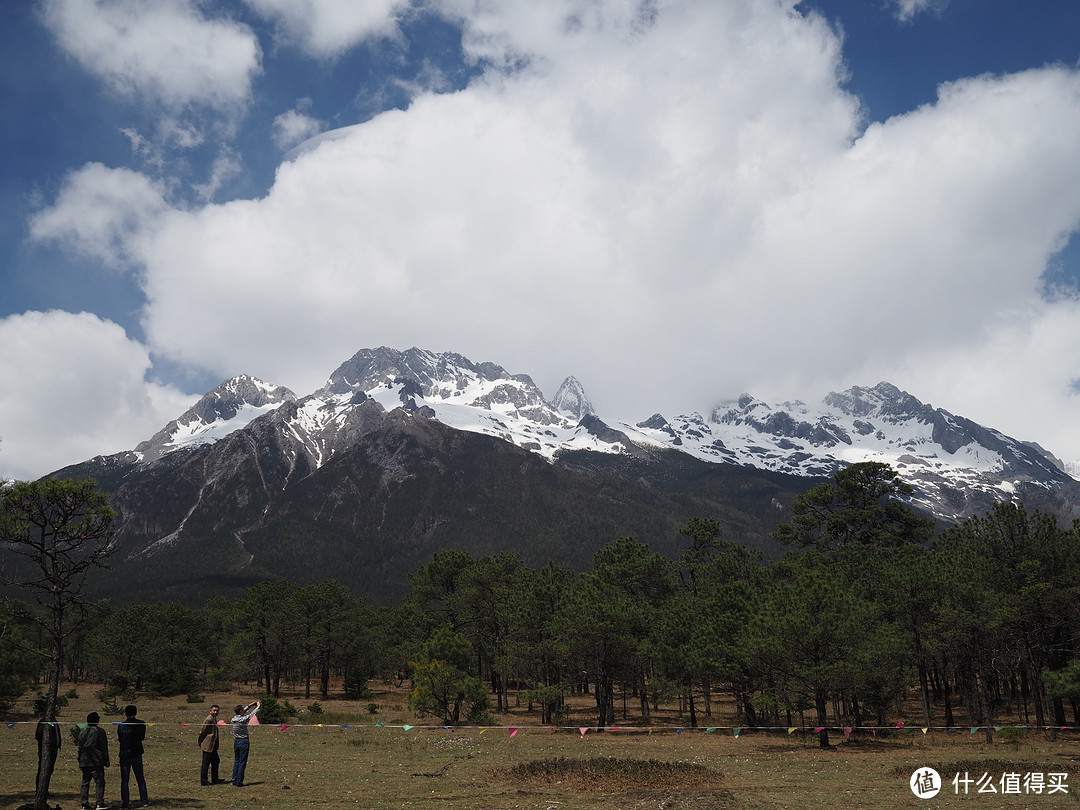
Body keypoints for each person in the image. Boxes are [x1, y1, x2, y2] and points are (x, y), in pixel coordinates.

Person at [116, 704, 149, 808]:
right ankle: (144, 801)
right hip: (136, 753)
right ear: (136, 713)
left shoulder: (121, 725)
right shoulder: (141, 724)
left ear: (125, 713)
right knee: (140, 778)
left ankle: (125, 803)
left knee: (125, 780)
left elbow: (120, 738)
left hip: (125, 754)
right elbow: (142, 737)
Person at [77, 711, 110, 810]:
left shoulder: (82, 732)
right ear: (97, 720)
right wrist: (106, 759)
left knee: (85, 782)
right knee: (99, 782)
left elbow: (79, 748)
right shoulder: (100, 731)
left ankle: (84, 804)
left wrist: (80, 761)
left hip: (84, 761)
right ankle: (99, 803)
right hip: (96, 760)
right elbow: (103, 746)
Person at [229, 700, 260, 787]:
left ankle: (234, 779)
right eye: (243, 710)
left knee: (237, 761)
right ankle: (239, 781)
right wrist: (258, 707)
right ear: (240, 712)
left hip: (236, 741)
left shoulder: (233, 719)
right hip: (243, 742)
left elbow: (243, 712)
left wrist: (249, 706)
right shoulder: (242, 720)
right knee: (242, 762)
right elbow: (250, 715)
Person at [34, 712, 61, 792]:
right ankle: (39, 790)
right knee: (43, 770)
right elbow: (38, 734)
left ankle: (45, 790)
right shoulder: (44, 721)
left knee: (50, 770)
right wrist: (47, 744)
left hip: (54, 749)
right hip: (45, 750)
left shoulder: (54, 721)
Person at [197, 704, 223, 785]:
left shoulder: (214, 719)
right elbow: (202, 731)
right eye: (214, 710)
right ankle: (204, 781)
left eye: (217, 711)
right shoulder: (209, 719)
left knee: (215, 761)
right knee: (206, 763)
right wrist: (201, 742)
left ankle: (215, 779)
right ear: (210, 711)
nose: (215, 712)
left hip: (213, 744)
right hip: (208, 745)